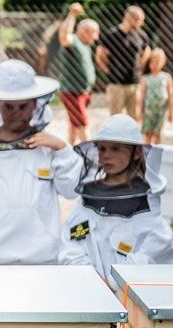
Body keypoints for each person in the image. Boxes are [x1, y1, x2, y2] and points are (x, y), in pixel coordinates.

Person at [0, 59, 82, 265]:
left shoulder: (48, 145)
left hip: (40, 260)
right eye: (9, 106)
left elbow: (71, 190)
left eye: (23, 106)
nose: (16, 113)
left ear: (35, 104)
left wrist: (63, 150)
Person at [60, 114, 173, 288]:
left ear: (136, 153)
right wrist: (87, 277)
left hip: (132, 299)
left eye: (115, 148)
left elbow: (157, 247)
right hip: (87, 291)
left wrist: (114, 282)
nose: (106, 156)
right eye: (102, 149)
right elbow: (72, 239)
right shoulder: (89, 194)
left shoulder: (147, 199)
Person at [95, 5, 151, 118]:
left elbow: (147, 52)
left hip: (134, 83)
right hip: (116, 84)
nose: (142, 24)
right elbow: (99, 55)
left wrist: (140, 68)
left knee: (135, 118)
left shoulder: (141, 35)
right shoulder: (111, 35)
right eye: (140, 21)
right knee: (115, 119)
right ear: (130, 18)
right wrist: (107, 71)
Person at [57, 3, 100, 144]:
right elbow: (64, 35)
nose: (96, 37)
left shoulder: (85, 46)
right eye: (95, 33)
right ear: (85, 31)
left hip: (83, 91)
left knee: (74, 124)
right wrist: (72, 14)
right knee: (83, 124)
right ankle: (91, 158)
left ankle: (69, 150)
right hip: (71, 91)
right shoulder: (73, 42)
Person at [137, 48, 173, 144]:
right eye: (152, 62)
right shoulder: (145, 78)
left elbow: (170, 95)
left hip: (161, 111)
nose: (155, 65)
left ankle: (157, 155)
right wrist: (139, 111)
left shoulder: (167, 77)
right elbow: (142, 96)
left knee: (158, 133)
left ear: (163, 63)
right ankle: (146, 155)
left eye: (158, 62)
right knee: (148, 133)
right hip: (148, 111)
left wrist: (171, 111)